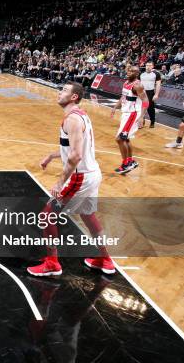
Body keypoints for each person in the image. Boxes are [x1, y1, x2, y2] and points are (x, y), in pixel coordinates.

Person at [28, 82, 115, 276]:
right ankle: (105, 259)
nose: (60, 93)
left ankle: (52, 263)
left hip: (80, 177)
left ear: (74, 97)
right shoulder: (80, 115)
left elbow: (76, 156)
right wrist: (52, 156)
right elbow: (74, 149)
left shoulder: (72, 120)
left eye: (65, 91)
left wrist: (59, 183)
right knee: (88, 216)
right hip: (92, 174)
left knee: (46, 215)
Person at [111, 66, 149, 174]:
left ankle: (126, 164)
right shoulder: (126, 82)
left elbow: (146, 101)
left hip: (133, 114)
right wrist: (115, 107)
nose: (128, 72)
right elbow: (123, 97)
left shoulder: (138, 85)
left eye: (132, 71)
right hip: (126, 113)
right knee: (126, 139)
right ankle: (130, 161)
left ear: (137, 74)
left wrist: (142, 116)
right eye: (128, 70)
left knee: (119, 139)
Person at [139, 61, 161, 128]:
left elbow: (158, 84)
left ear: (152, 66)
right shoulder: (141, 74)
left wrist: (156, 94)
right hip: (141, 92)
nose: (148, 67)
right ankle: (142, 122)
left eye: (150, 65)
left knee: (150, 108)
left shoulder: (156, 74)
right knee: (141, 107)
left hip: (150, 92)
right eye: (147, 65)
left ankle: (152, 122)